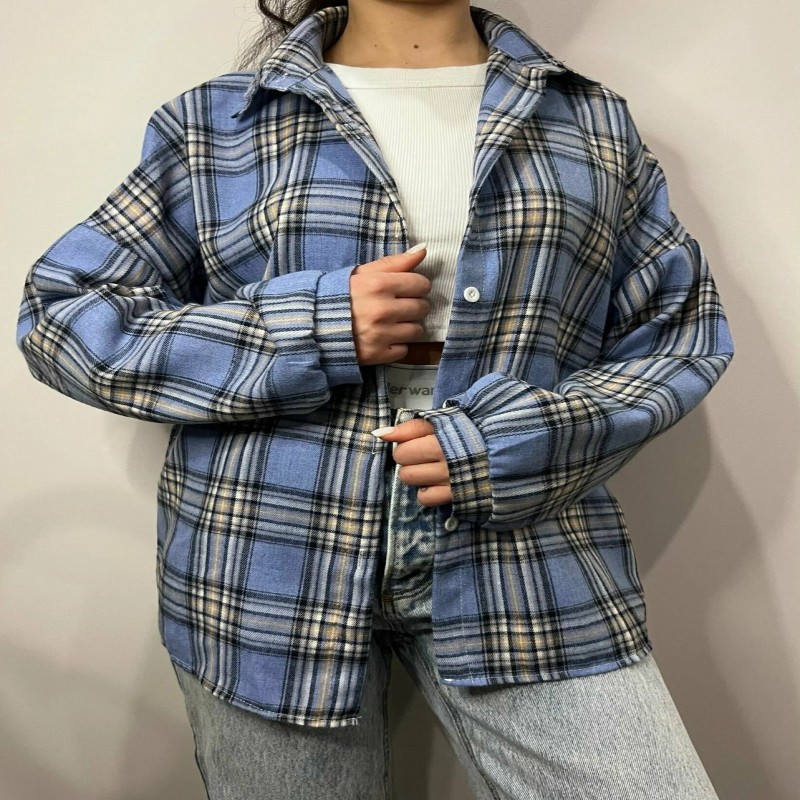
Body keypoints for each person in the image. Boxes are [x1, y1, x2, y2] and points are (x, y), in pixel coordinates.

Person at [15, 1, 735, 797]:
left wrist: (514, 442)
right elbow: (64, 316)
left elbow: (679, 334)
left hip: (526, 555)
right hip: (263, 566)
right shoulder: (217, 123)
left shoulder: (589, 121)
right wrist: (316, 327)